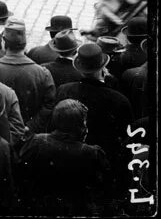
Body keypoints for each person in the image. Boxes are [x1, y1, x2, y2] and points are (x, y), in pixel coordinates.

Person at [54, 42, 133, 202]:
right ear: (102, 68)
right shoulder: (119, 100)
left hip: (70, 159)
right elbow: (126, 137)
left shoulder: (64, 90)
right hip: (103, 164)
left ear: (79, 67)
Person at [16, 99, 112, 215]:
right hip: (76, 210)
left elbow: (21, 175)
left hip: (40, 208)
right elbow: (104, 187)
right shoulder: (91, 153)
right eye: (84, 122)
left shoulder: (37, 142)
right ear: (79, 124)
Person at [0, 23, 57, 132]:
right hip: (29, 134)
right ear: (25, 44)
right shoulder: (42, 73)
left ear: (4, 43)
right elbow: (49, 105)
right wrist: (30, 126)